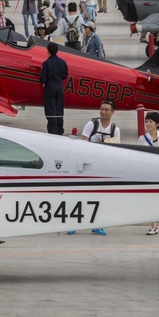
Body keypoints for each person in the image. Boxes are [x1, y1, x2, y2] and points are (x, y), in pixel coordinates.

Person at [69, 100, 120, 236]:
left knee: (100, 197)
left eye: (106, 110)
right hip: (87, 166)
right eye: (101, 109)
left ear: (113, 112)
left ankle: (97, 225)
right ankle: (74, 223)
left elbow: (116, 150)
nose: (103, 112)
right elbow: (83, 144)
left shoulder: (115, 130)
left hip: (103, 168)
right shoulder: (91, 124)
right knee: (81, 196)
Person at [39, 41, 68, 135]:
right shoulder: (62, 62)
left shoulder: (46, 63)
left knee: (51, 111)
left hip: (50, 89)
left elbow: (42, 78)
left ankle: (52, 130)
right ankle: (60, 129)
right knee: (59, 110)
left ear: (48, 51)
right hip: (59, 88)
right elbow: (65, 75)